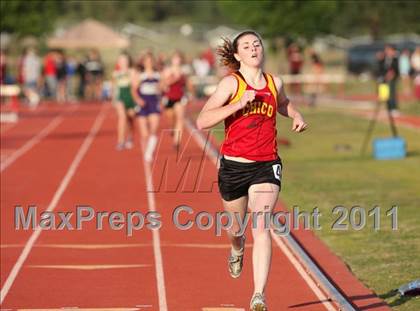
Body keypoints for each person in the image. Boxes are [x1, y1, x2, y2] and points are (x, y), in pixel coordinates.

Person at [196, 30, 307, 311]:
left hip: (266, 165)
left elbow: (282, 103)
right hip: (234, 166)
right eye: (247, 45)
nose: (254, 48)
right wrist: (237, 104)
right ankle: (236, 247)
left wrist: (295, 114)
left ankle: (258, 295)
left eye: (257, 43)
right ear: (237, 55)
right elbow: (202, 121)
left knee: (262, 226)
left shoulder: (274, 82)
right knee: (236, 228)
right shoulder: (231, 84)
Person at [131, 52, 162, 162]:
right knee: (144, 134)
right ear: (143, 63)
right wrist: (138, 100)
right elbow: (134, 90)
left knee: (154, 130)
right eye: (146, 61)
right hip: (143, 102)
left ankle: (149, 152)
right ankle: (147, 149)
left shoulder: (157, 75)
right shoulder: (140, 75)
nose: (149, 63)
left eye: (150, 61)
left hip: (154, 102)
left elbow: (161, 88)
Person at [161, 51, 192, 150]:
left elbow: (187, 83)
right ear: (172, 60)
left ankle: (176, 142)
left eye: (179, 58)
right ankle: (173, 128)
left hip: (180, 97)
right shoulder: (167, 70)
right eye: (175, 58)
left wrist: (190, 93)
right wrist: (174, 78)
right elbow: (163, 84)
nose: (177, 60)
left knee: (180, 118)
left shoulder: (184, 71)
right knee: (171, 118)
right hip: (169, 97)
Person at [112, 52, 136, 150]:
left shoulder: (132, 71)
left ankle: (130, 136)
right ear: (118, 62)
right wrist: (113, 98)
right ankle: (121, 141)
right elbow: (114, 86)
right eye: (121, 60)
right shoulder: (115, 73)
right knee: (122, 117)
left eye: (125, 60)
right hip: (120, 97)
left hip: (130, 96)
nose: (123, 62)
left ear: (128, 61)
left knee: (130, 118)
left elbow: (135, 85)